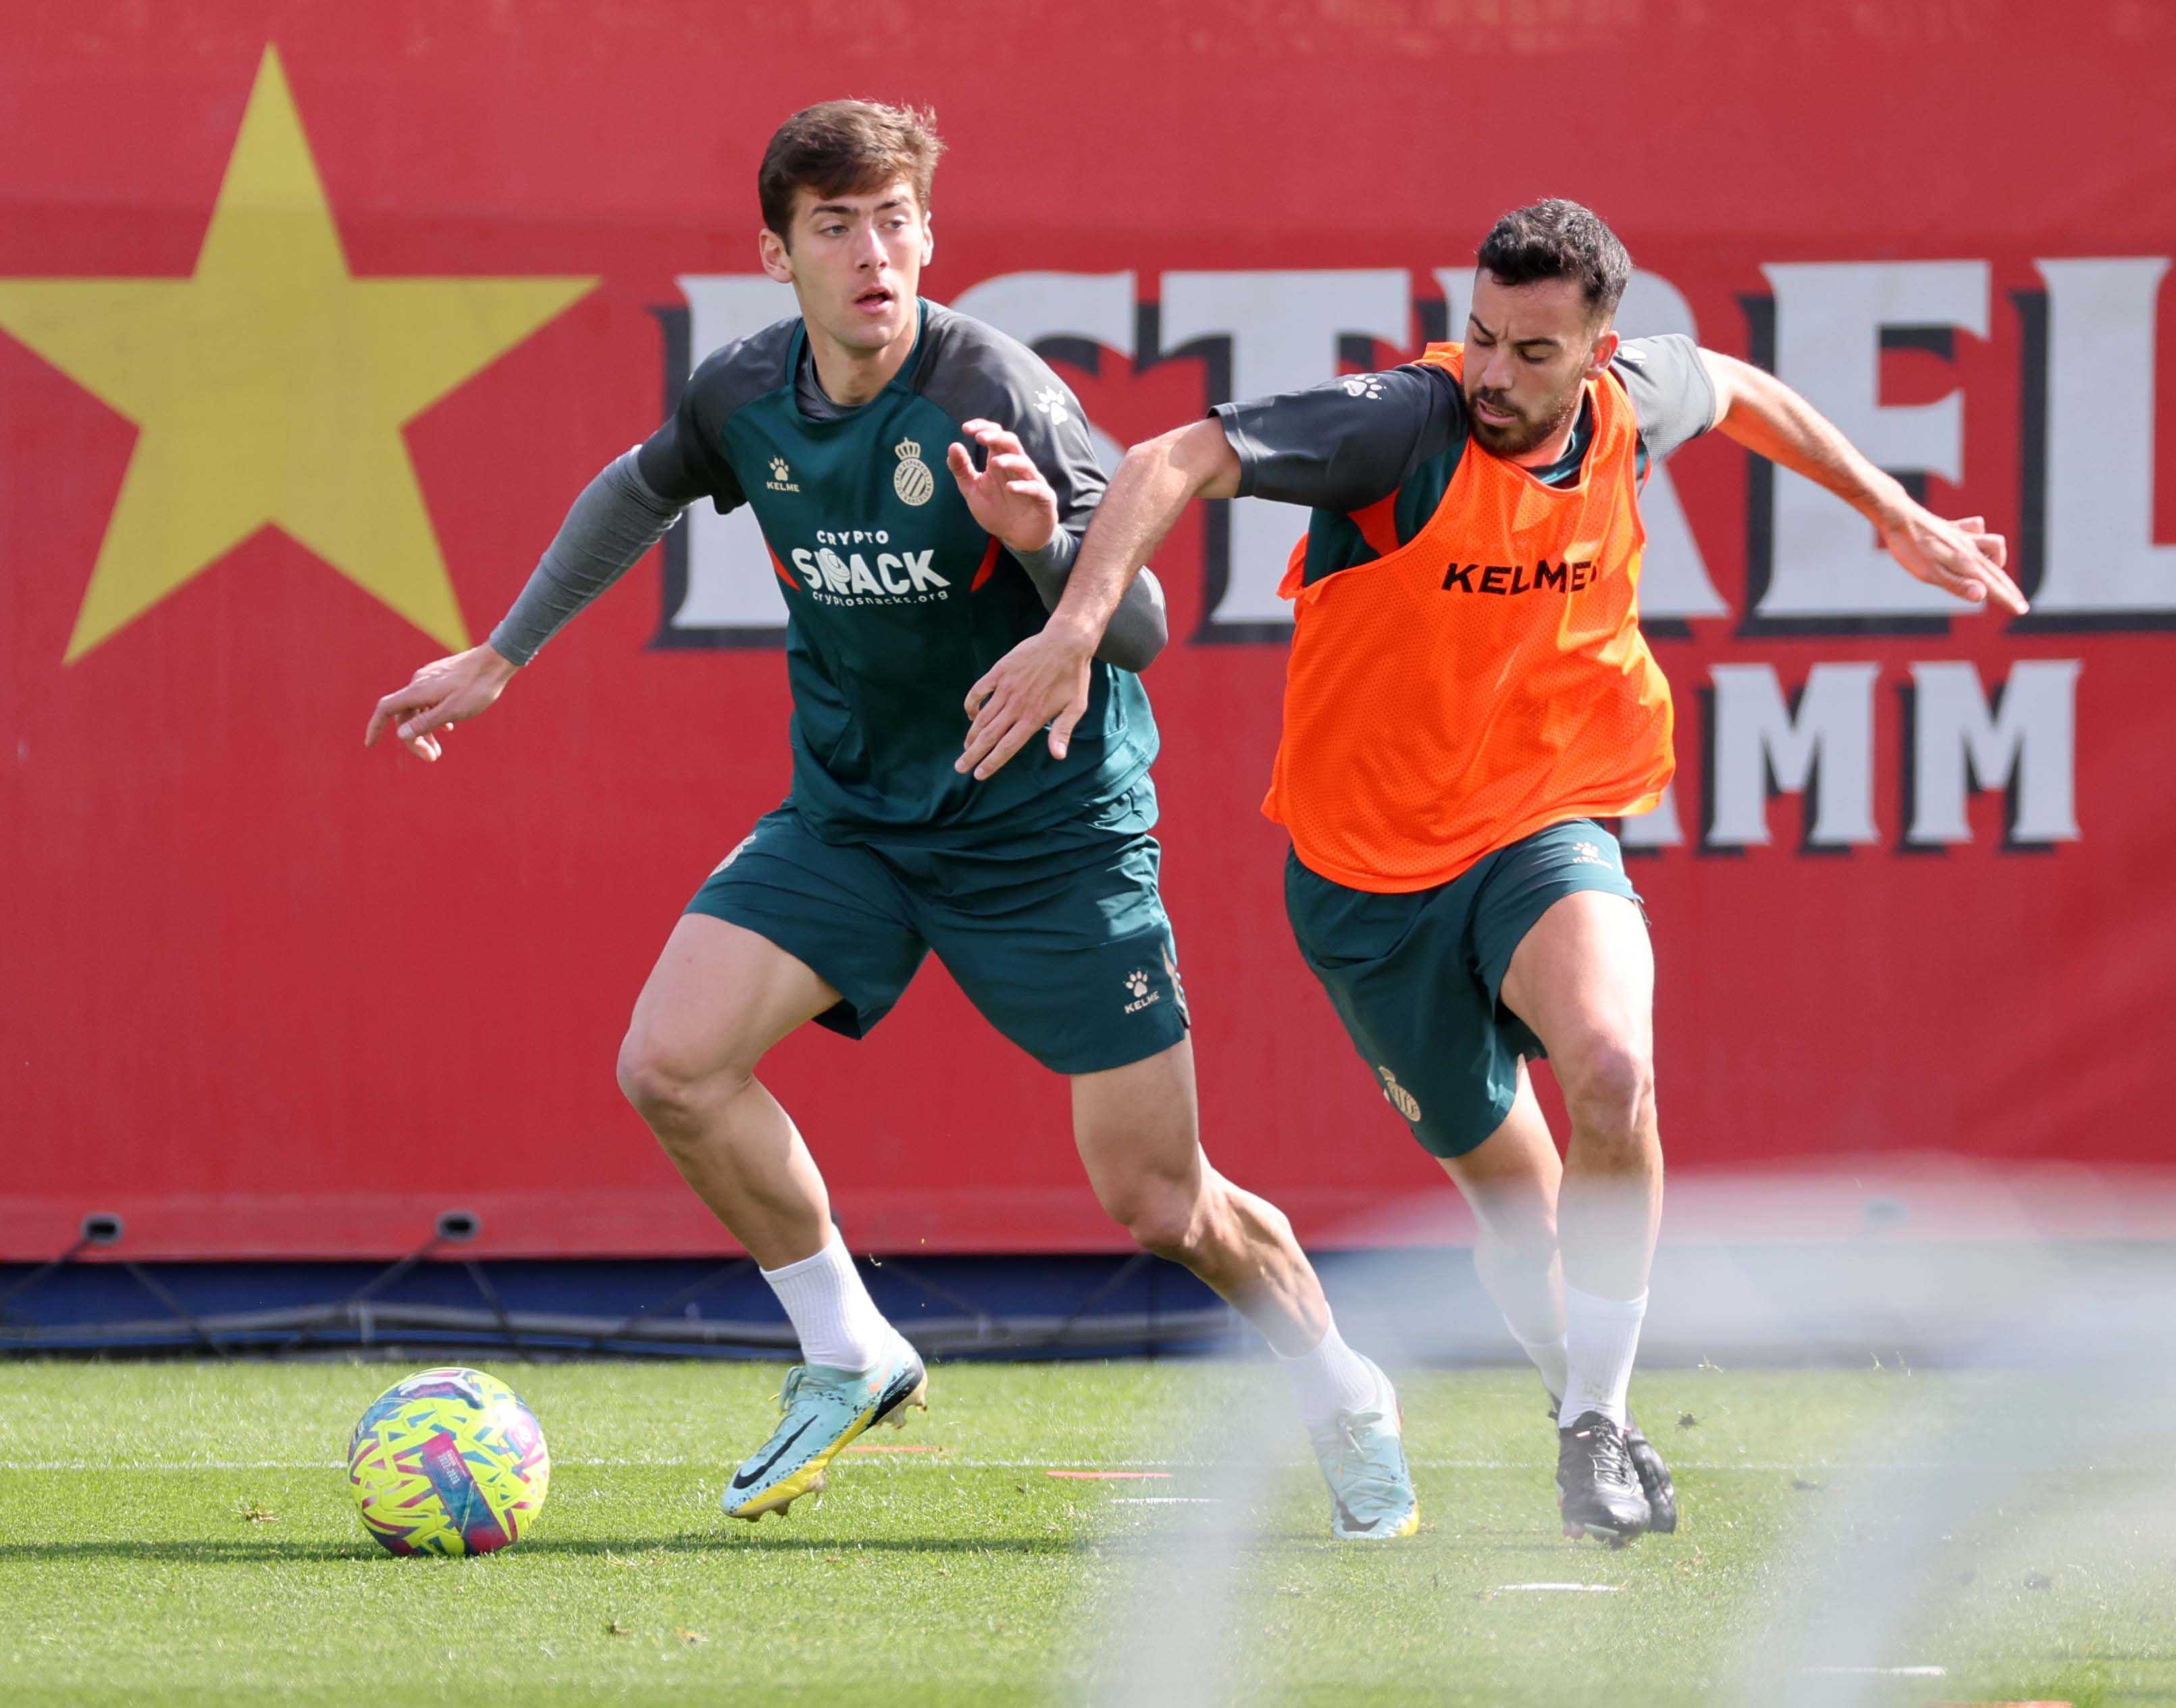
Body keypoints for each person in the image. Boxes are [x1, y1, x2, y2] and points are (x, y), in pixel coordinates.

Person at [364, 101, 1419, 1540]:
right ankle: (850, 1347)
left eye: (895, 222)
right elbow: (640, 488)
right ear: (777, 256)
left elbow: (1144, 628)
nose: (873, 253)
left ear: (928, 237)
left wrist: (1040, 545)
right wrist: (504, 652)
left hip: (1050, 829)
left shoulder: (996, 392)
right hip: (854, 817)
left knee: (1161, 1200)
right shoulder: (744, 394)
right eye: (836, 227)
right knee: (672, 1065)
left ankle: (1343, 1387)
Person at [954, 197, 2023, 1543]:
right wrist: (1075, 626)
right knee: (1521, 1217)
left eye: (1532, 351)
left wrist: (1891, 510)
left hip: (1545, 817)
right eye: (1480, 337)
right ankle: (1577, 1393)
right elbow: (1173, 456)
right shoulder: (1401, 425)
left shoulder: (1634, 402)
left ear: (1598, 352)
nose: (1495, 375)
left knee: (1613, 1069)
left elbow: (1741, 388)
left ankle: (1600, 1424)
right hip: (1366, 881)